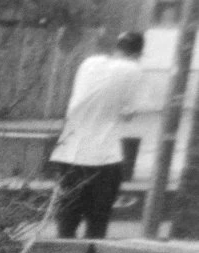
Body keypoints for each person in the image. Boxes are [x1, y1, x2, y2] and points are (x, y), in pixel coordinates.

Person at [51, 32, 155, 240]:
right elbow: (128, 115)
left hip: (69, 149)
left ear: (116, 47)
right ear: (139, 53)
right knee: (98, 214)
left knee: (68, 211)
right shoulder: (134, 70)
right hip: (104, 155)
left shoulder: (90, 63)